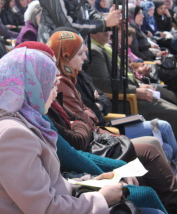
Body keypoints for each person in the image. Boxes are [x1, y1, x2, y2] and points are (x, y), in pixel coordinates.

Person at [0, 47, 122, 214]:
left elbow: (39, 191)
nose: (55, 94)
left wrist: (89, 183)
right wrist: (101, 199)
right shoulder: (11, 136)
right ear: (31, 86)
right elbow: (46, 209)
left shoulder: (0, 119)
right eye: (52, 84)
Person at [46, 32, 177, 212]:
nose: (85, 57)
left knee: (159, 143)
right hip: (98, 142)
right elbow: (80, 131)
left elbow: (96, 106)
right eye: (80, 53)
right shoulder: (60, 86)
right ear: (66, 56)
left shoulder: (76, 76)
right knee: (155, 142)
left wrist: (90, 113)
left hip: (98, 138)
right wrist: (90, 113)